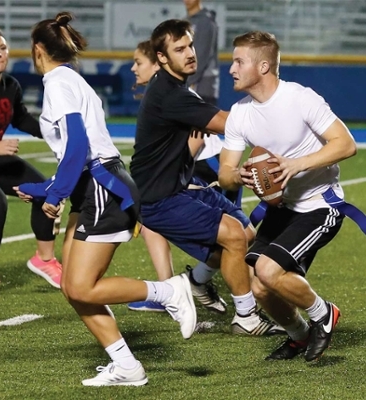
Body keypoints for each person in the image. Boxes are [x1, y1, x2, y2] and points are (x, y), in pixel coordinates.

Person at [14, 11, 197, 387]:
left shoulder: (57, 83)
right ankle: (127, 366)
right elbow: (77, 151)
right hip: (97, 184)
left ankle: (168, 290)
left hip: (101, 186)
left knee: (81, 286)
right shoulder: (70, 80)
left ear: (37, 50)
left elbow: (79, 146)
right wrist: (45, 189)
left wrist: (56, 192)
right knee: (72, 287)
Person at [130, 19, 282, 336]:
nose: (190, 53)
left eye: (190, 46)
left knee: (245, 232)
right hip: (158, 199)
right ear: (161, 57)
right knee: (233, 235)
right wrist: (279, 114)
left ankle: (196, 282)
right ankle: (246, 317)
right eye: (179, 49)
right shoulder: (171, 95)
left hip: (179, 187)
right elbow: (228, 123)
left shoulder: (174, 89)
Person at [218, 30, 357, 361]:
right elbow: (225, 172)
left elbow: (345, 144)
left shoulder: (299, 98)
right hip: (283, 207)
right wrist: (242, 175)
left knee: (267, 270)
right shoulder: (239, 113)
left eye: (239, 61)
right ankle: (298, 335)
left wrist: (296, 165)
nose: (231, 69)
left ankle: (324, 314)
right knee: (259, 284)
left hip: (320, 204)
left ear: (263, 66)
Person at [128, 39, 228, 314]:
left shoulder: (174, 97)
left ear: (158, 62)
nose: (134, 68)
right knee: (149, 216)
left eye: (138, 62)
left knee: (230, 246)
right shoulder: (162, 94)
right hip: (191, 173)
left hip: (206, 174)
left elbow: (199, 147)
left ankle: (195, 284)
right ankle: (171, 288)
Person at [0, 22, 62, 298]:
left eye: (2, 48)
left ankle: (44, 259)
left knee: (45, 190)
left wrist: (52, 132)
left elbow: (20, 118)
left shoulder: (11, 85)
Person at [183, 0, 219, 106]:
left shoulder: (206, 21)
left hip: (203, 85)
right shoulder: (186, 21)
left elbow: (202, 55)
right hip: (190, 83)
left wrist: (188, 81)